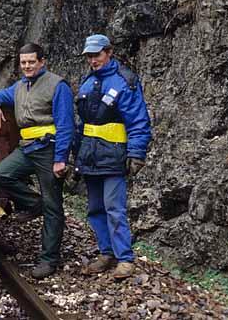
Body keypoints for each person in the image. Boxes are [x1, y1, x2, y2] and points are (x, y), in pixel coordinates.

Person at [0, 43, 74, 279]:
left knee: (53, 206)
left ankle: (48, 260)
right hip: (26, 148)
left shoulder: (58, 85)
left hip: (49, 148)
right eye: (23, 62)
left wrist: (60, 159)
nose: (26, 66)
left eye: (31, 62)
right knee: (1, 174)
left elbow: (66, 125)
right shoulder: (19, 86)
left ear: (42, 61)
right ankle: (35, 204)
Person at [75, 34, 151, 279]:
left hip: (114, 156)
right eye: (89, 56)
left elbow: (138, 120)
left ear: (109, 52)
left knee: (114, 208)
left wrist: (136, 153)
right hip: (89, 156)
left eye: (96, 55)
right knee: (95, 208)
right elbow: (81, 125)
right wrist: (73, 156)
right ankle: (107, 253)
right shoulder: (87, 83)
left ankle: (125, 259)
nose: (93, 60)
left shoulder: (124, 82)